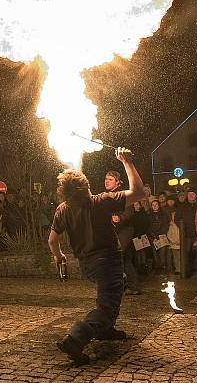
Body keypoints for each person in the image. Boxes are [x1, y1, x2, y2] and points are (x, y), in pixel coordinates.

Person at [47, 148, 144, 365]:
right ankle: (75, 339)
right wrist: (127, 161)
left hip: (87, 265)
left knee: (110, 292)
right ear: (86, 187)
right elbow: (139, 192)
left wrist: (59, 256)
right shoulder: (101, 201)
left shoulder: (62, 209)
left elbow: (52, 241)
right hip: (107, 261)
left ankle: (106, 330)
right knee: (107, 307)